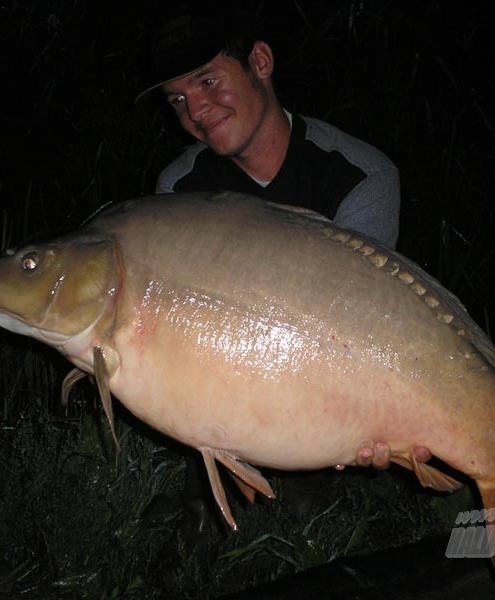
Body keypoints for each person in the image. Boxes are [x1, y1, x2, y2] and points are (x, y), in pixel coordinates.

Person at [136, 4, 399, 546]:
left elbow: (372, 329)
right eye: (178, 99)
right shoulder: (180, 191)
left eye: (208, 81)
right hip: (224, 395)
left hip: (329, 387)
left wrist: (378, 420)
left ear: (259, 61)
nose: (196, 112)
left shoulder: (359, 176)